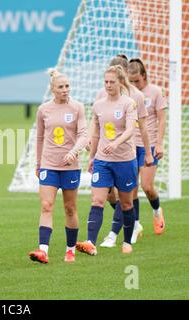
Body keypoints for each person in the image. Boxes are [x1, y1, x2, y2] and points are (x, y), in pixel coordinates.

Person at [101, 58, 167, 246]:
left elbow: (161, 119)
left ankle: (156, 211)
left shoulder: (154, 92)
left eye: (137, 80)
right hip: (128, 146)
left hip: (149, 144)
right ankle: (135, 223)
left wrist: (159, 144)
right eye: (131, 80)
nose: (134, 83)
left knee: (147, 186)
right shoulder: (120, 94)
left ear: (143, 76)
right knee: (130, 190)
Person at [76, 65, 138, 256]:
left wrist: (117, 143)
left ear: (120, 82)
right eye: (106, 82)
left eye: (112, 82)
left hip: (125, 160)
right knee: (97, 199)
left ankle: (127, 241)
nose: (108, 85)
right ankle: (90, 242)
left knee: (126, 203)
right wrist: (92, 156)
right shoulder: (98, 105)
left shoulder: (129, 103)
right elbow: (95, 133)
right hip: (103, 160)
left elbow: (129, 130)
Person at [28, 69, 87, 264]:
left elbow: (84, 135)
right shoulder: (43, 109)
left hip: (70, 167)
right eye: (60, 87)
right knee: (46, 206)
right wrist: (38, 163)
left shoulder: (77, 107)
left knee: (70, 209)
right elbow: (39, 138)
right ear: (52, 89)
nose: (65, 90)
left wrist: (73, 153)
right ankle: (43, 250)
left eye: (67, 86)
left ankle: (70, 250)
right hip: (48, 165)